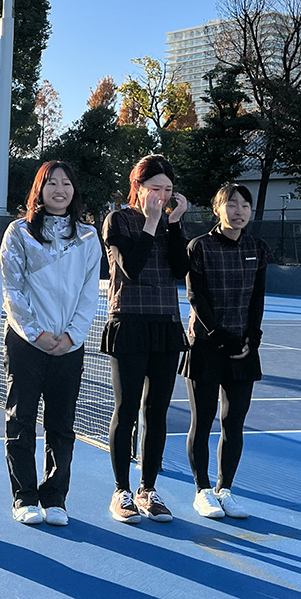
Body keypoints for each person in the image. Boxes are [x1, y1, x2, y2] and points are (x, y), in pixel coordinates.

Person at [0, 161, 101, 527]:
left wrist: (72, 335)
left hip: (68, 347)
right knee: (21, 420)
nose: (60, 190)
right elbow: (11, 287)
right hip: (26, 344)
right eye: (52, 183)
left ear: (74, 190)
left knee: (61, 424)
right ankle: (24, 496)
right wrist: (36, 333)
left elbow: (89, 293)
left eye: (66, 183)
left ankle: (55, 497)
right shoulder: (19, 232)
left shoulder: (88, 237)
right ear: (39, 190)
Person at [102, 154, 189, 524]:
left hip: (165, 323)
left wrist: (174, 223)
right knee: (127, 409)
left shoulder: (170, 223)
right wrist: (152, 221)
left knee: (157, 412)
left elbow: (181, 269)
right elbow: (132, 268)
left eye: (168, 190)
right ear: (137, 187)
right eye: (155, 188)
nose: (162, 196)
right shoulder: (118, 220)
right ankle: (121, 490)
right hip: (129, 321)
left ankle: (148, 489)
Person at [183, 184, 268, 520]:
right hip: (206, 346)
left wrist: (252, 337)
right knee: (202, 421)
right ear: (217, 209)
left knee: (234, 423)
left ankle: (225, 489)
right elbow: (195, 296)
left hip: (243, 348)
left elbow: (258, 297)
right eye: (231, 204)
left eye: (245, 205)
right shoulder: (199, 247)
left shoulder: (257, 248)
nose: (239, 211)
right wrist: (218, 335)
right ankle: (202, 490)